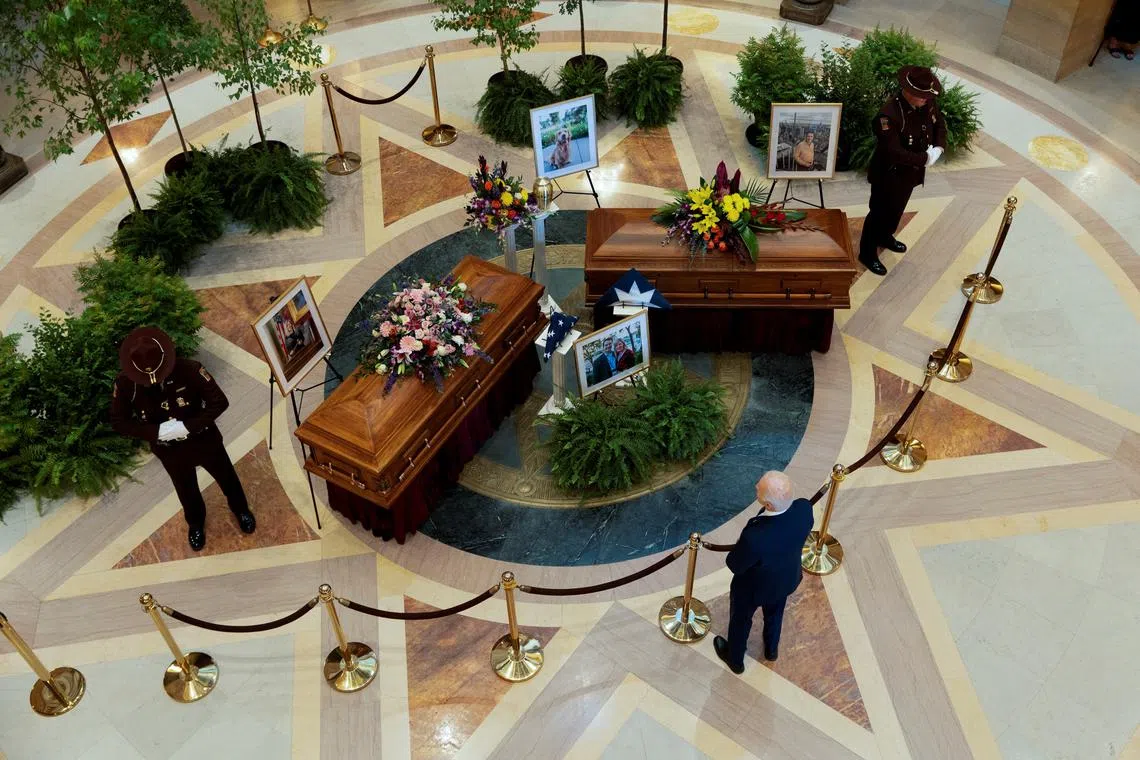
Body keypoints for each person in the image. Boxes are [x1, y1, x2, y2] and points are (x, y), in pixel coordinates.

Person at [110, 326, 256, 551]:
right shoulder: (125, 384)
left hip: (204, 440)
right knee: (186, 489)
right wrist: (156, 432)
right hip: (170, 450)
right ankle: (195, 523)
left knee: (227, 477)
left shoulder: (190, 369)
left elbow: (219, 402)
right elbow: (119, 421)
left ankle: (241, 510)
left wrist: (188, 426)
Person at [713, 470, 814, 674]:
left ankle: (735, 660)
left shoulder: (755, 538)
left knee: (741, 621)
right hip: (785, 579)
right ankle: (771, 650)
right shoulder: (804, 508)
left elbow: (735, 564)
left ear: (768, 505)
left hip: (752, 588)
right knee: (775, 615)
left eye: (758, 489)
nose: (755, 487)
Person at [858, 66, 946, 277]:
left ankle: (885, 236)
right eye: (921, 95)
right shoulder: (888, 115)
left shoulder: (927, 102)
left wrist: (939, 147)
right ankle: (867, 253)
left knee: (897, 208)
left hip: (910, 173)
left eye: (927, 96)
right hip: (889, 173)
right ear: (908, 91)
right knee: (879, 212)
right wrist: (925, 159)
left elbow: (940, 125)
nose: (926, 100)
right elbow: (894, 152)